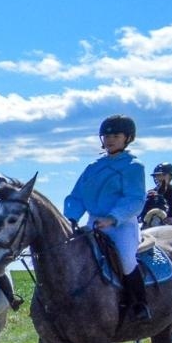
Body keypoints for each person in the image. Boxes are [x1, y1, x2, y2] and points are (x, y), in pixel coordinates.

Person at [65, 114, 149, 326]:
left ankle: (140, 304)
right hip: (93, 223)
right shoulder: (93, 167)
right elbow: (77, 196)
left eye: (116, 136)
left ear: (127, 138)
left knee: (127, 260)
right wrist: (71, 217)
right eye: (106, 136)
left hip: (121, 224)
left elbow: (134, 199)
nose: (110, 140)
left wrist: (112, 218)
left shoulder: (133, 166)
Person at [141, 162, 172, 227]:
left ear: (170, 176)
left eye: (163, 175)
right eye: (157, 175)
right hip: (149, 228)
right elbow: (140, 215)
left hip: (170, 228)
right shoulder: (149, 194)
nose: (159, 178)